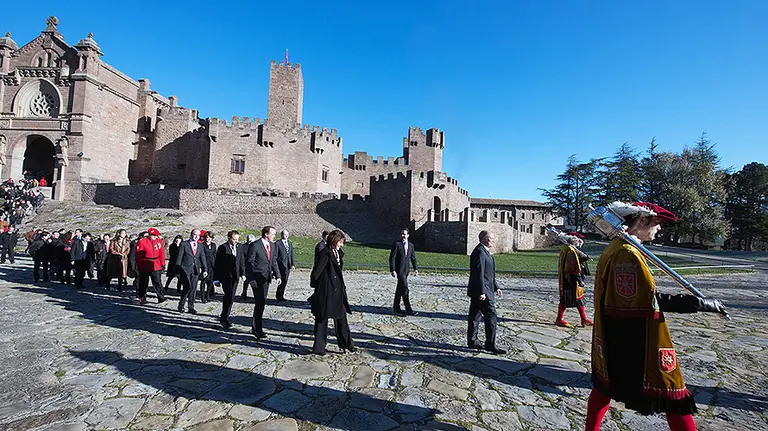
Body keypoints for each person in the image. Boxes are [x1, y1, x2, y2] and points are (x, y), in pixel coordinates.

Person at [586, 202, 728, 431]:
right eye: (657, 223)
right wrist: (699, 303)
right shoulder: (626, 253)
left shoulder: (619, 247)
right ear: (642, 220)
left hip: (617, 331)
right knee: (674, 394)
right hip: (634, 337)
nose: (659, 229)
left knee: (604, 387)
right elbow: (644, 301)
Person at [309, 229, 355, 355]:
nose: (342, 245)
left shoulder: (338, 253)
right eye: (340, 242)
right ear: (335, 241)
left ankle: (346, 344)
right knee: (321, 319)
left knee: (341, 318)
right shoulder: (325, 252)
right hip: (327, 291)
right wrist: (317, 287)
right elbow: (316, 272)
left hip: (338, 291)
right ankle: (319, 347)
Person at [467, 230, 506, 355]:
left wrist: (496, 287)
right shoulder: (479, 252)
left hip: (485, 290)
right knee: (491, 316)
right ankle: (490, 344)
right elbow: (478, 274)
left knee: (475, 316)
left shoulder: (485, 252)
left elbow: (489, 274)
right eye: (491, 238)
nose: (493, 240)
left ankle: (472, 341)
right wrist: (482, 292)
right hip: (482, 292)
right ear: (484, 238)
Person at [245, 226, 280, 339]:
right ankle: (257, 329)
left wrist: (278, 275)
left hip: (266, 279)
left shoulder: (272, 246)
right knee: (259, 304)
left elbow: (273, 261)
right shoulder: (255, 245)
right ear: (266, 234)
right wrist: (251, 279)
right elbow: (249, 263)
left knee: (262, 303)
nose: (274, 236)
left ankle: (256, 327)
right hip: (257, 279)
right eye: (273, 234)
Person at [555, 232, 593, 327]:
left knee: (579, 300)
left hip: (569, 278)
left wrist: (583, 259)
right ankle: (559, 319)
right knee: (566, 299)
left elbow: (575, 260)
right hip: (570, 278)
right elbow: (572, 265)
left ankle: (584, 319)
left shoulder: (568, 248)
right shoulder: (570, 250)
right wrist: (579, 279)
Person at [215, 230, 246, 329]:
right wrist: (216, 279)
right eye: (234, 239)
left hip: (235, 276)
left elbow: (241, 261)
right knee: (228, 296)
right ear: (229, 238)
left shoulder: (240, 247)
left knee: (231, 297)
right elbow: (217, 264)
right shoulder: (222, 248)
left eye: (237, 239)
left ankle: (225, 316)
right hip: (226, 276)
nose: (236, 241)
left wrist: (243, 273)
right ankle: (224, 318)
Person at [176, 229, 208, 314]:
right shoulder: (184, 244)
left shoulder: (200, 246)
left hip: (195, 270)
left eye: (198, 235)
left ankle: (191, 306)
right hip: (185, 270)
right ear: (191, 234)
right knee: (187, 288)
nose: (196, 237)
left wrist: (205, 269)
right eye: (195, 234)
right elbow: (179, 258)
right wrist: (178, 270)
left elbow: (202, 258)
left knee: (193, 289)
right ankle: (181, 305)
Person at [389, 228, 419, 316]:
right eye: (402, 234)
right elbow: (392, 258)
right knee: (405, 289)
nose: (403, 236)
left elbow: (413, 258)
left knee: (399, 289)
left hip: (406, 270)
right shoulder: (397, 244)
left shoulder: (411, 245)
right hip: (399, 271)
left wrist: (415, 269)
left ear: (408, 235)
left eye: (404, 234)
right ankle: (408, 309)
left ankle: (396, 308)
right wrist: (392, 270)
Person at [135, 228, 167, 305]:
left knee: (157, 282)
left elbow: (161, 253)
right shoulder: (142, 242)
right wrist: (140, 265)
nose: (155, 237)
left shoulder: (158, 241)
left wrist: (163, 263)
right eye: (154, 235)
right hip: (145, 263)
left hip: (156, 264)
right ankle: (142, 298)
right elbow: (138, 255)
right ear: (150, 235)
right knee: (143, 283)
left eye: (156, 235)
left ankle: (161, 297)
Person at [275, 229, 295, 302]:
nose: (286, 236)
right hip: (281, 265)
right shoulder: (278, 243)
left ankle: (281, 295)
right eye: (284, 234)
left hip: (288, 265)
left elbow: (291, 254)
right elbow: (275, 255)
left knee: (285, 281)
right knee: (282, 280)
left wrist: (292, 264)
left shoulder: (289, 243)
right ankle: (278, 295)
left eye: (287, 235)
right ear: (281, 235)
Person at [198, 231, 217, 303]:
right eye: (207, 237)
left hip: (212, 265)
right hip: (205, 265)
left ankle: (208, 295)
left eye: (209, 237)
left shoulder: (214, 245)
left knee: (210, 282)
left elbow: (215, 254)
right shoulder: (202, 245)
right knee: (203, 281)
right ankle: (202, 297)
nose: (208, 239)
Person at [240, 234, 258, 301]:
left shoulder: (244, 246)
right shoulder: (244, 247)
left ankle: (245, 294)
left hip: (251, 266)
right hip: (247, 266)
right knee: (248, 281)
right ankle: (245, 294)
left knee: (249, 281)